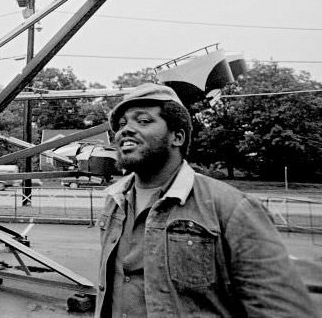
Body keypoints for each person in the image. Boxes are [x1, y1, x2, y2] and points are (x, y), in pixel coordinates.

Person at [96, 83, 316, 317]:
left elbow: (281, 310)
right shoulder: (114, 202)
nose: (125, 130)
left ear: (177, 137)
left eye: (143, 121)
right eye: (121, 124)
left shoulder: (233, 208)